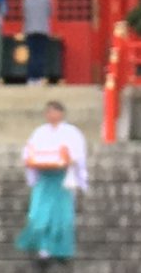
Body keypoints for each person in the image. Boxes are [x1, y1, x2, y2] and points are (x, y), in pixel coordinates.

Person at [15, 99, 89, 263]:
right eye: (48, 112)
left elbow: (78, 153)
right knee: (41, 213)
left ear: (61, 113)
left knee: (61, 215)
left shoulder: (71, 132)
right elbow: (29, 150)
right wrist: (29, 159)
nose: (50, 115)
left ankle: (62, 250)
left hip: (62, 178)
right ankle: (43, 249)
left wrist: (71, 160)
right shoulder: (40, 132)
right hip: (45, 177)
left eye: (54, 111)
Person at [21, 0, 57, 86]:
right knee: (40, 55)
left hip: (30, 29)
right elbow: (50, 13)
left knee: (32, 55)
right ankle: (39, 77)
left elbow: (24, 14)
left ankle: (31, 78)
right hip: (42, 30)